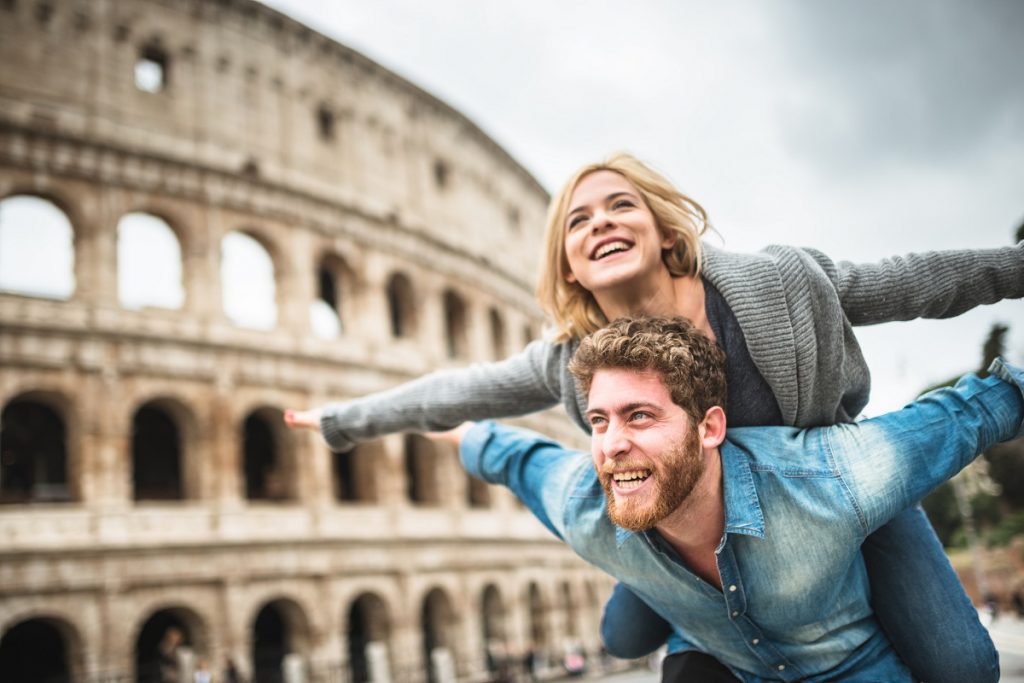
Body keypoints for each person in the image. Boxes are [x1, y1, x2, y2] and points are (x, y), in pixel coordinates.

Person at [286, 153, 1024, 681]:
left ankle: (707, 616)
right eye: (578, 220)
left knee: (962, 664)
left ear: (664, 230)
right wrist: (345, 420)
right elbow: (461, 393)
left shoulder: (774, 286)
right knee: (622, 630)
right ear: (569, 264)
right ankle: (695, 608)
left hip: (823, 498)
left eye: (620, 205)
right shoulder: (571, 358)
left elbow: (917, 282)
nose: (600, 222)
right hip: (681, 523)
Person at [431, 316, 1024, 682]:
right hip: (720, 656)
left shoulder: (828, 477)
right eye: (599, 420)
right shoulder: (582, 502)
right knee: (623, 636)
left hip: (849, 667)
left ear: (710, 427)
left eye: (639, 416)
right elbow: (509, 454)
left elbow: (975, 409)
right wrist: (399, 419)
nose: (611, 444)